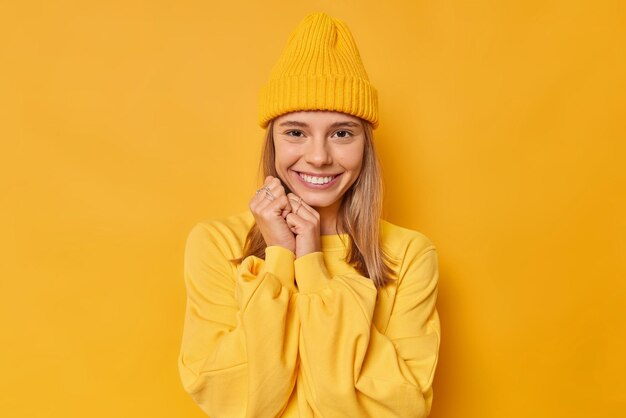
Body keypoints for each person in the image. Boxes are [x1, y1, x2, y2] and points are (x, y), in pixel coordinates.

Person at [178, 12, 441, 418]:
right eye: (296, 132)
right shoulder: (216, 243)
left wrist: (312, 267)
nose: (318, 157)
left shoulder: (408, 255)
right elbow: (235, 401)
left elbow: (402, 408)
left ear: (365, 145)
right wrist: (279, 257)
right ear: (273, 141)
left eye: (342, 133)